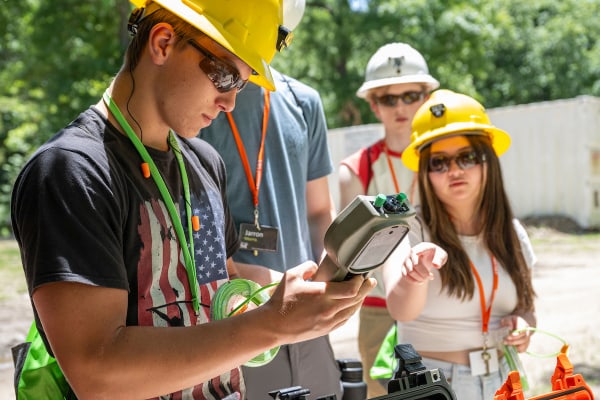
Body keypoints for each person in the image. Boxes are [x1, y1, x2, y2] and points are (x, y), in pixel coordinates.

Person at [9, 1, 376, 398]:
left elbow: (219, 285)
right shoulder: (72, 171)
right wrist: (274, 324)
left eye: (242, 82)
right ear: (163, 43)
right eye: (224, 76)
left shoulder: (203, 163)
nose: (231, 101)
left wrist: (299, 294)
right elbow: (97, 373)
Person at [384, 89, 537, 400]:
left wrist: (524, 325)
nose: (454, 171)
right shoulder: (406, 228)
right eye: (438, 162)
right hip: (434, 386)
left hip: (504, 380)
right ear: (424, 173)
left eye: (467, 157)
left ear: (487, 162)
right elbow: (400, 308)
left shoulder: (512, 232)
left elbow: (527, 308)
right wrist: (415, 272)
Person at [199, 67, 342, 398]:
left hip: (310, 326)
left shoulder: (303, 101)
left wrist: (332, 274)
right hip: (235, 325)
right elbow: (196, 243)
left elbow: (320, 211)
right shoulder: (199, 106)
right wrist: (280, 287)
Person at [337, 42, 439, 398]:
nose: (401, 107)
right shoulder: (355, 171)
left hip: (440, 302)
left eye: (411, 95)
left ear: (427, 95)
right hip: (380, 310)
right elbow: (351, 255)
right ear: (373, 104)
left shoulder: (444, 161)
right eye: (388, 98)